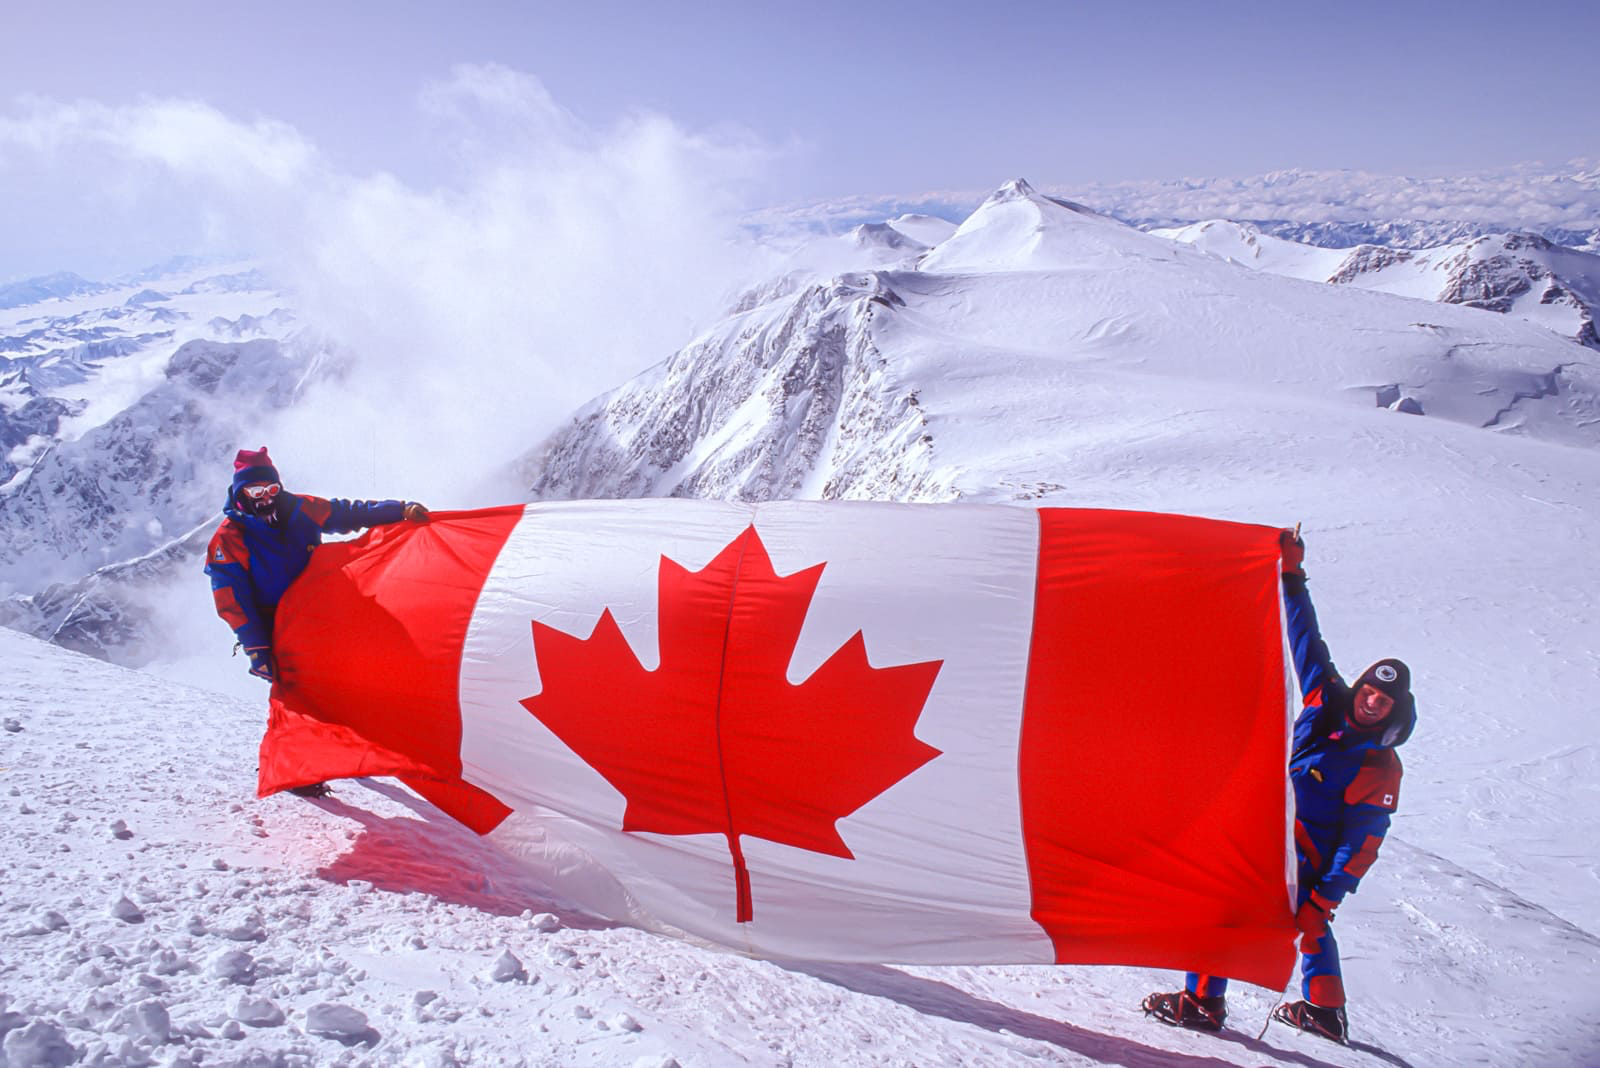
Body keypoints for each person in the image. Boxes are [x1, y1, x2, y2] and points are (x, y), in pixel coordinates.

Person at [1141, 528, 1416, 1044]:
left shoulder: (1379, 766)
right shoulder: (1324, 699)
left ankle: (1202, 1004)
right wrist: (1292, 575)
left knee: (1240, 908)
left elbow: (1362, 844)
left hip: (1307, 854)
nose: (1371, 702)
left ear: (1394, 712)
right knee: (1276, 916)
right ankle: (1323, 1012)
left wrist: (1326, 897)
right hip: (1269, 833)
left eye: (1383, 702)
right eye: (1369, 691)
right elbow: (1305, 637)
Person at [204, 444, 430, 686]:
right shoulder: (229, 539)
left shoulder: (300, 509)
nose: (267, 497)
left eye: (272, 488)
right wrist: (256, 648)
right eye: (256, 491)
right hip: (281, 628)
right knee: (310, 689)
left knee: (365, 669)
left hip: (323, 610)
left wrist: (399, 510)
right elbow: (232, 600)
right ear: (241, 493)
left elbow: (348, 512)